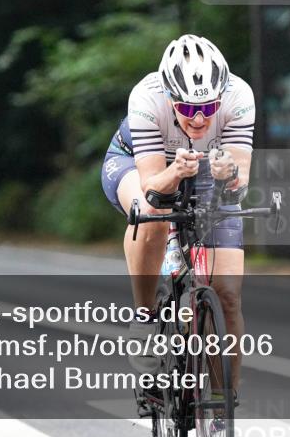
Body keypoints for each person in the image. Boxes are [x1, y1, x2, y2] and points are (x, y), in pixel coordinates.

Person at [101, 34, 254, 393]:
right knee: (150, 212)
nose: (199, 120)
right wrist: (173, 173)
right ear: (170, 99)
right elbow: (153, 185)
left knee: (228, 295)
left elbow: (240, 180)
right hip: (138, 164)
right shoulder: (146, 97)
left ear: (221, 96)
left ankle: (220, 407)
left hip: (204, 170)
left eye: (208, 108)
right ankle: (145, 317)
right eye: (186, 109)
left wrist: (228, 174)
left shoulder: (239, 96)